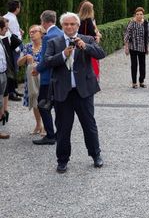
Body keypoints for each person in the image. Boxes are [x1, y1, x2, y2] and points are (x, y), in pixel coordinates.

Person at [41, 12, 105, 173]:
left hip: (83, 91)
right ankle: (62, 160)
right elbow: (47, 61)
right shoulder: (53, 41)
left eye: (72, 24)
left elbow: (100, 54)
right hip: (63, 91)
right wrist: (63, 55)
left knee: (89, 125)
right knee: (63, 128)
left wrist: (86, 46)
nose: (69, 27)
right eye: (66, 24)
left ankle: (96, 154)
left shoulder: (87, 39)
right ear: (62, 26)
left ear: (77, 25)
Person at [32, 10, 63, 145]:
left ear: (44, 22)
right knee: (59, 106)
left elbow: (46, 60)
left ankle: (50, 135)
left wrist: (37, 69)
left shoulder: (48, 36)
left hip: (48, 78)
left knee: (43, 105)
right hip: (60, 77)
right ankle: (59, 133)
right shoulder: (61, 33)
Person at [17, 25, 45, 135]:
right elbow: (19, 63)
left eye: (34, 31)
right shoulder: (27, 46)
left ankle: (46, 126)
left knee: (43, 100)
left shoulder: (46, 46)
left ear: (41, 33)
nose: (31, 34)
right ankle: (38, 124)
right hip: (31, 78)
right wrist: (25, 57)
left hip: (43, 77)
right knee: (34, 100)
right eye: (30, 32)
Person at [0, 17, 22, 139]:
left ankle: (2, 114)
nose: (7, 30)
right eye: (5, 28)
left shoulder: (2, 39)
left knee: (1, 100)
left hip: (3, 74)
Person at [4, 0, 24, 102]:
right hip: (13, 47)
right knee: (13, 69)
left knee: (14, 69)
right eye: (19, 6)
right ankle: (11, 92)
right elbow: (10, 34)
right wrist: (17, 48)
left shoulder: (8, 17)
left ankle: (13, 89)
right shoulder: (11, 18)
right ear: (17, 8)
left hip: (13, 46)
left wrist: (20, 31)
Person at [124, 7, 149, 88]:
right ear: (135, 15)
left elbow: (147, 36)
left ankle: (141, 81)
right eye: (137, 14)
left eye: (141, 14)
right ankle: (134, 83)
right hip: (133, 47)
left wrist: (147, 48)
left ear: (143, 15)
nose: (139, 16)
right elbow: (127, 35)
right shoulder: (131, 23)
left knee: (143, 65)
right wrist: (126, 47)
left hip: (142, 47)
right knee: (134, 65)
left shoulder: (145, 22)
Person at [78, 0, 102, 80]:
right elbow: (93, 35)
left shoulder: (78, 20)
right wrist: (97, 36)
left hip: (79, 43)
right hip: (88, 44)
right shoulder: (88, 21)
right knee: (91, 63)